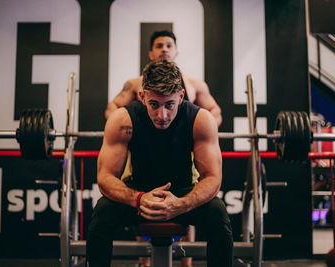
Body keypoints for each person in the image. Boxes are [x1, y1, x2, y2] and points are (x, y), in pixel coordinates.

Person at [87, 60, 233, 267]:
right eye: (154, 104)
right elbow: (105, 178)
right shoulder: (123, 120)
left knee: (218, 214)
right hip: (137, 193)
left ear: (181, 96)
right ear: (142, 96)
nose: (162, 115)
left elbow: (213, 178)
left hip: (182, 193)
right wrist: (138, 199)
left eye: (169, 105)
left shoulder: (201, 120)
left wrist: (181, 204)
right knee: (102, 213)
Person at [104, 30, 222, 127]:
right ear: (151, 53)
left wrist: (202, 130)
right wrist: (129, 129)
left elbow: (214, 110)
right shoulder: (134, 83)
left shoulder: (195, 84)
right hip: (146, 145)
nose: (164, 49)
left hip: (181, 144)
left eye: (169, 46)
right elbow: (112, 108)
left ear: (176, 53)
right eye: (159, 46)